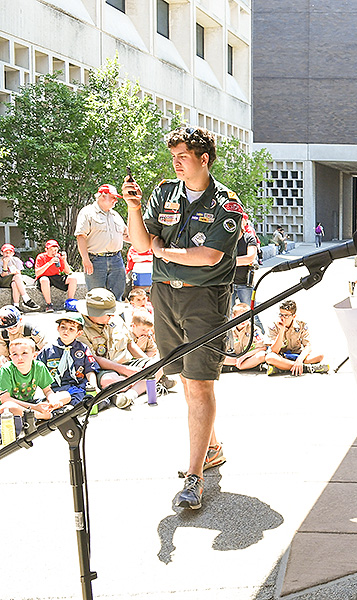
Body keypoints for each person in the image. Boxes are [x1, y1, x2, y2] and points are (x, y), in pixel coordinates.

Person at [123, 126, 243, 510]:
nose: (175, 163)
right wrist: (134, 208)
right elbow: (141, 243)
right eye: (173, 156)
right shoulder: (163, 193)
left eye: (183, 157)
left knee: (200, 384)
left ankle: (195, 478)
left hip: (204, 299)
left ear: (203, 159)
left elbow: (209, 256)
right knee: (186, 380)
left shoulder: (226, 203)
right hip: (165, 296)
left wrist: (164, 251)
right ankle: (212, 448)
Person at [76, 288, 148, 409]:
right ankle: (140, 385)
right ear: (94, 313)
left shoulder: (116, 319)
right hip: (104, 370)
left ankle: (127, 394)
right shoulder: (80, 329)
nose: (112, 315)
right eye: (108, 314)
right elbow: (93, 358)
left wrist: (149, 364)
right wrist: (125, 370)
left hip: (127, 363)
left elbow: (130, 344)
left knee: (158, 365)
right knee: (108, 380)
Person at [76, 184, 127, 300]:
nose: (116, 200)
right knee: (96, 298)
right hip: (96, 260)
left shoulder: (115, 215)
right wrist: (85, 259)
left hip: (116, 260)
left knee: (116, 298)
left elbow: (126, 235)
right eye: (113, 197)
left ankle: (116, 313)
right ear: (103, 196)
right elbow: (80, 236)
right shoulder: (88, 212)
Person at [37, 314, 100, 409]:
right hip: (56, 388)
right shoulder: (48, 350)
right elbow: (38, 371)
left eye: (71, 329)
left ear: (79, 333)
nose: (66, 331)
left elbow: (89, 370)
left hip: (78, 387)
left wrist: (94, 386)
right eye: (63, 327)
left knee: (96, 400)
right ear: (58, 328)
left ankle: (67, 408)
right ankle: (65, 408)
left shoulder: (83, 349)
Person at [0, 338, 67, 420]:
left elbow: (47, 390)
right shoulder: (6, 370)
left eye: (24, 353)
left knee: (65, 395)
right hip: (14, 404)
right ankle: (44, 415)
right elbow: (5, 399)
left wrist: (52, 401)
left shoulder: (39, 366)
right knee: (8, 407)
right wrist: (34, 407)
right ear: (10, 357)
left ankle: (40, 412)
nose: (19, 358)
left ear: (34, 356)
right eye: (15, 354)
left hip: (30, 402)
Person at [265, 299, 328, 375]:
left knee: (319, 355)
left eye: (286, 316)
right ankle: (305, 368)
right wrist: (281, 331)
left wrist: (299, 360)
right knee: (270, 358)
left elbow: (307, 346)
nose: (282, 318)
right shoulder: (274, 325)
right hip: (281, 356)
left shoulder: (301, 324)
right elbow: (274, 351)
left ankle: (282, 367)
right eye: (281, 314)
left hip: (296, 354)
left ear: (293, 316)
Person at [232, 214, 264, 332]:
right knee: (228, 316)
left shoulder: (249, 238)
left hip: (244, 283)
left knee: (252, 314)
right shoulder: (227, 239)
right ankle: (231, 340)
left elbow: (250, 258)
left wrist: (229, 262)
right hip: (228, 283)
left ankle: (259, 336)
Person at [34, 239, 77, 312]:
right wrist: (49, 263)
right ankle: (49, 304)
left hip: (55, 276)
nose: (53, 252)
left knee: (73, 279)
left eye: (55, 250)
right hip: (43, 277)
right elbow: (37, 273)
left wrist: (64, 260)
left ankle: (70, 302)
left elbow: (68, 272)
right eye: (51, 250)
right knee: (44, 280)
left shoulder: (58, 257)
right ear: (46, 249)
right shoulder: (41, 257)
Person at [223, 303, 268, 372]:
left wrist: (243, 357)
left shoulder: (254, 329)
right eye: (240, 317)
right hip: (233, 358)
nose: (243, 320)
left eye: (246, 317)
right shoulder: (228, 330)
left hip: (248, 357)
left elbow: (263, 347)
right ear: (233, 316)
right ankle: (243, 366)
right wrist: (236, 360)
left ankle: (237, 367)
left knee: (261, 355)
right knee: (215, 356)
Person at [0, 244, 40, 312]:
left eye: (10, 252)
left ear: (13, 253)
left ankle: (16, 306)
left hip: (13, 280)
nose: (8, 254)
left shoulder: (16, 260)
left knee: (14, 284)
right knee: (17, 277)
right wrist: (5, 264)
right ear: (2, 253)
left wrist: (14, 272)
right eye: (6, 252)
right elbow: (3, 275)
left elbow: (19, 272)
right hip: (3, 281)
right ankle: (26, 299)